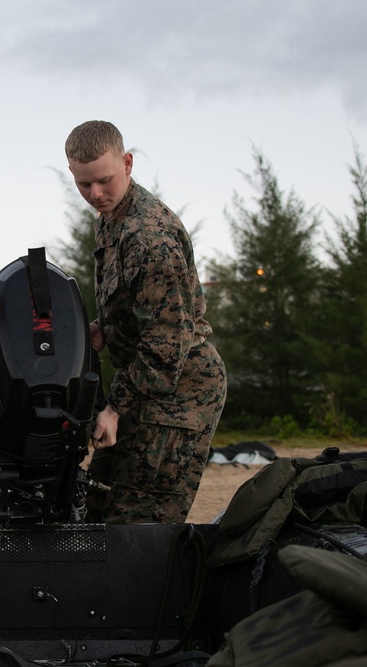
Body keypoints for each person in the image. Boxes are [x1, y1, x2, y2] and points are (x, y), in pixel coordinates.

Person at [65, 120, 227, 523]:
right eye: (83, 185)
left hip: (179, 393)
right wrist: (105, 327)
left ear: (128, 164)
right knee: (98, 508)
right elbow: (138, 303)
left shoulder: (148, 237)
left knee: (138, 525)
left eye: (103, 181)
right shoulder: (112, 218)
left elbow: (167, 340)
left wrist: (115, 409)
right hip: (144, 387)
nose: (94, 194)